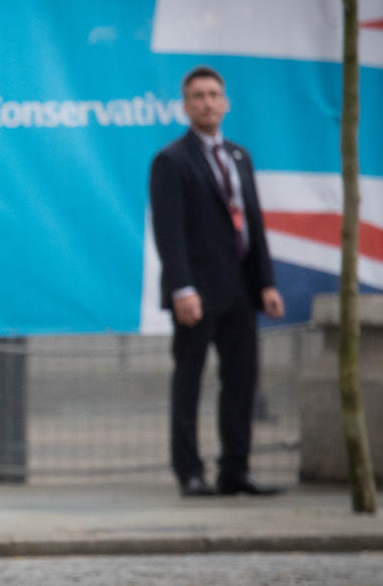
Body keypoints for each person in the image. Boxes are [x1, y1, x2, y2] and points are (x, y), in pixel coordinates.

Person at [149, 65, 285, 497]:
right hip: (198, 293)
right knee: (189, 380)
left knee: (242, 382)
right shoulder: (171, 160)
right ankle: (189, 471)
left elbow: (254, 225)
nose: (207, 102)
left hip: (241, 290)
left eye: (214, 95)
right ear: (186, 106)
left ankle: (235, 469)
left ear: (225, 102)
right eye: (198, 96)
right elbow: (169, 232)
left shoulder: (239, 156)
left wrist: (266, 282)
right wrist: (182, 288)